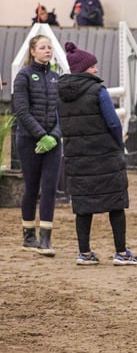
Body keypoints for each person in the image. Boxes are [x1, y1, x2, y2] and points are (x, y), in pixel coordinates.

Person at [57, 42, 137, 266]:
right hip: (104, 154)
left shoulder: (60, 94)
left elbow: (59, 124)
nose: (96, 70)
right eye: (93, 66)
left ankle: (84, 253)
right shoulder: (98, 90)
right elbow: (113, 122)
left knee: (83, 207)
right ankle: (121, 253)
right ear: (85, 68)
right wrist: (117, 142)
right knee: (116, 203)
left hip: (76, 156)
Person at [12, 34, 62, 256]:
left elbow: (61, 111)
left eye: (49, 47)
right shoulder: (23, 76)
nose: (47, 50)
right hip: (28, 141)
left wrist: (55, 135)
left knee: (50, 188)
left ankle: (46, 238)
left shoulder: (56, 77)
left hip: (53, 141)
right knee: (31, 187)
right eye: (42, 47)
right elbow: (22, 110)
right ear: (33, 51)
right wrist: (41, 135)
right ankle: (29, 235)